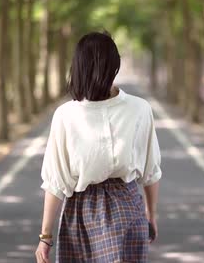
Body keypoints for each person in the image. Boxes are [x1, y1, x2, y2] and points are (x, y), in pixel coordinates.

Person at [35, 31, 162, 263]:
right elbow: (55, 182)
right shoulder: (66, 116)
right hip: (83, 214)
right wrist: (45, 237)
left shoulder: (139, 109)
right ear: (113, 66)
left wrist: (151, 216)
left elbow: (150, 170)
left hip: (123, 210)